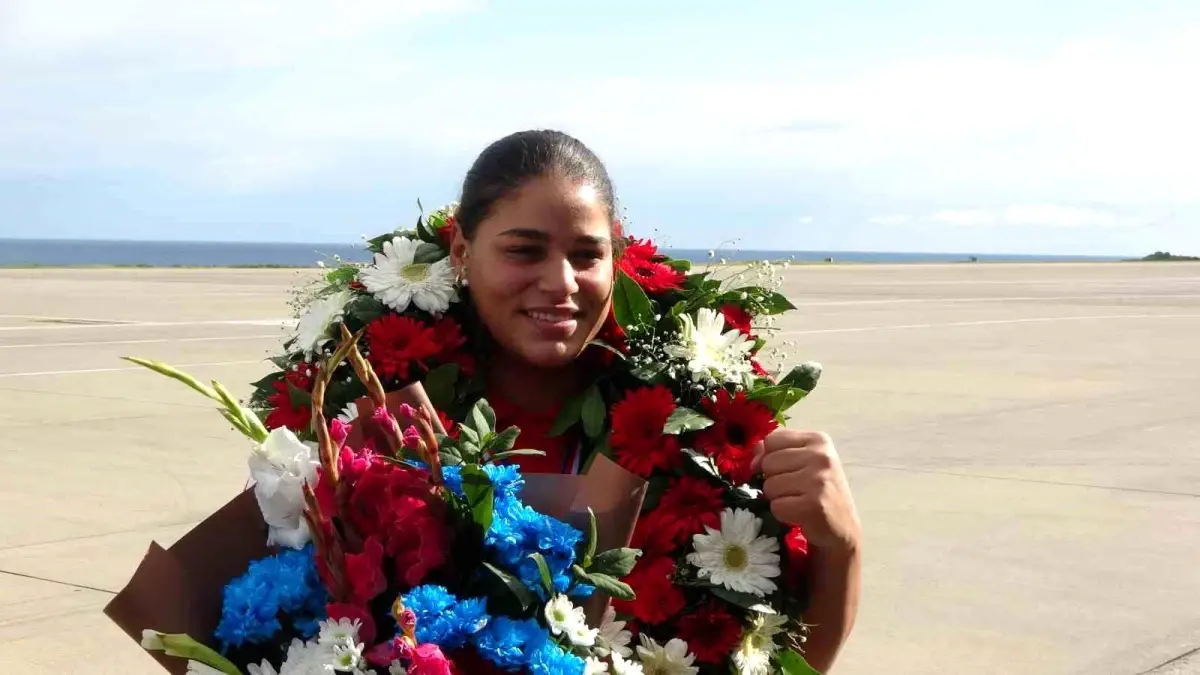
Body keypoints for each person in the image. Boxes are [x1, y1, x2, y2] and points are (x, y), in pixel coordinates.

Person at [445, 129, 862, 672]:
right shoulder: (380, 415)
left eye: (586, 255)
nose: (561, 282)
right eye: (524, 251)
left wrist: (841, 543)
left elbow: (791, 658)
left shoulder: (700, 422)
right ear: (461, 251)